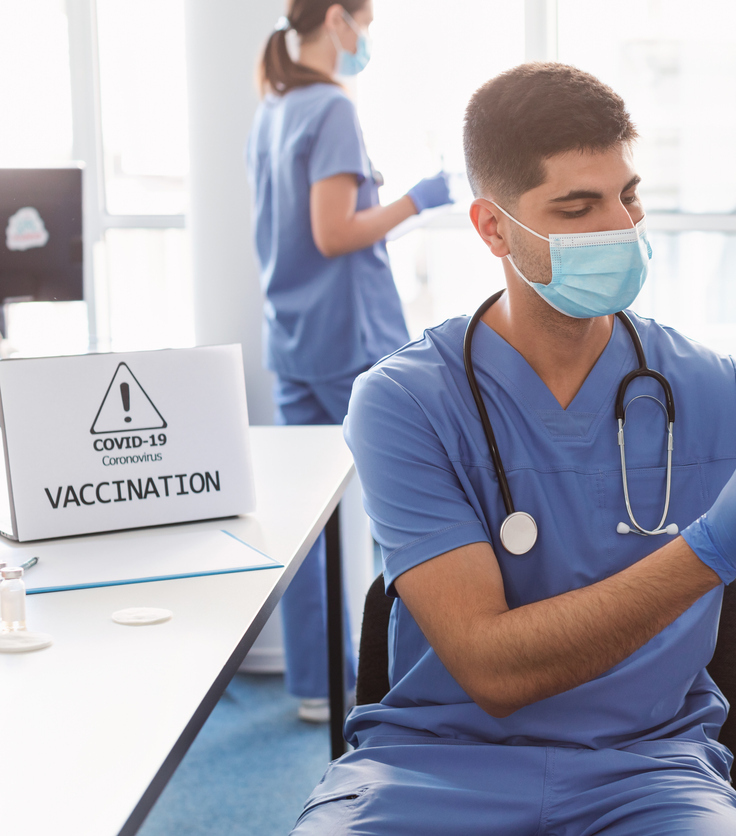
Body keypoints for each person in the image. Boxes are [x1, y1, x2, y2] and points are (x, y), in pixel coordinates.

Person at [290, 63, 736, 835]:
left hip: (652, 772)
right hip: (430, 770)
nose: (619, 227)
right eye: (577, 207)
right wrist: (713, 547)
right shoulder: (404, 402)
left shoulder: (707, 389)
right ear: (492, 227)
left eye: (627, 195)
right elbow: (493, 669)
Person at [247, 0, 453, 723]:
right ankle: (423, 678)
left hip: (295, 337)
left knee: (306, 515)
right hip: (348, 338)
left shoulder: (273, 104)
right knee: (415, 505)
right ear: (338, 18)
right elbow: (335, 233)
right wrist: (416, 201)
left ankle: (318, 682)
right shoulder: (329, 107)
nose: (365, 39)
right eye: (365, 22)